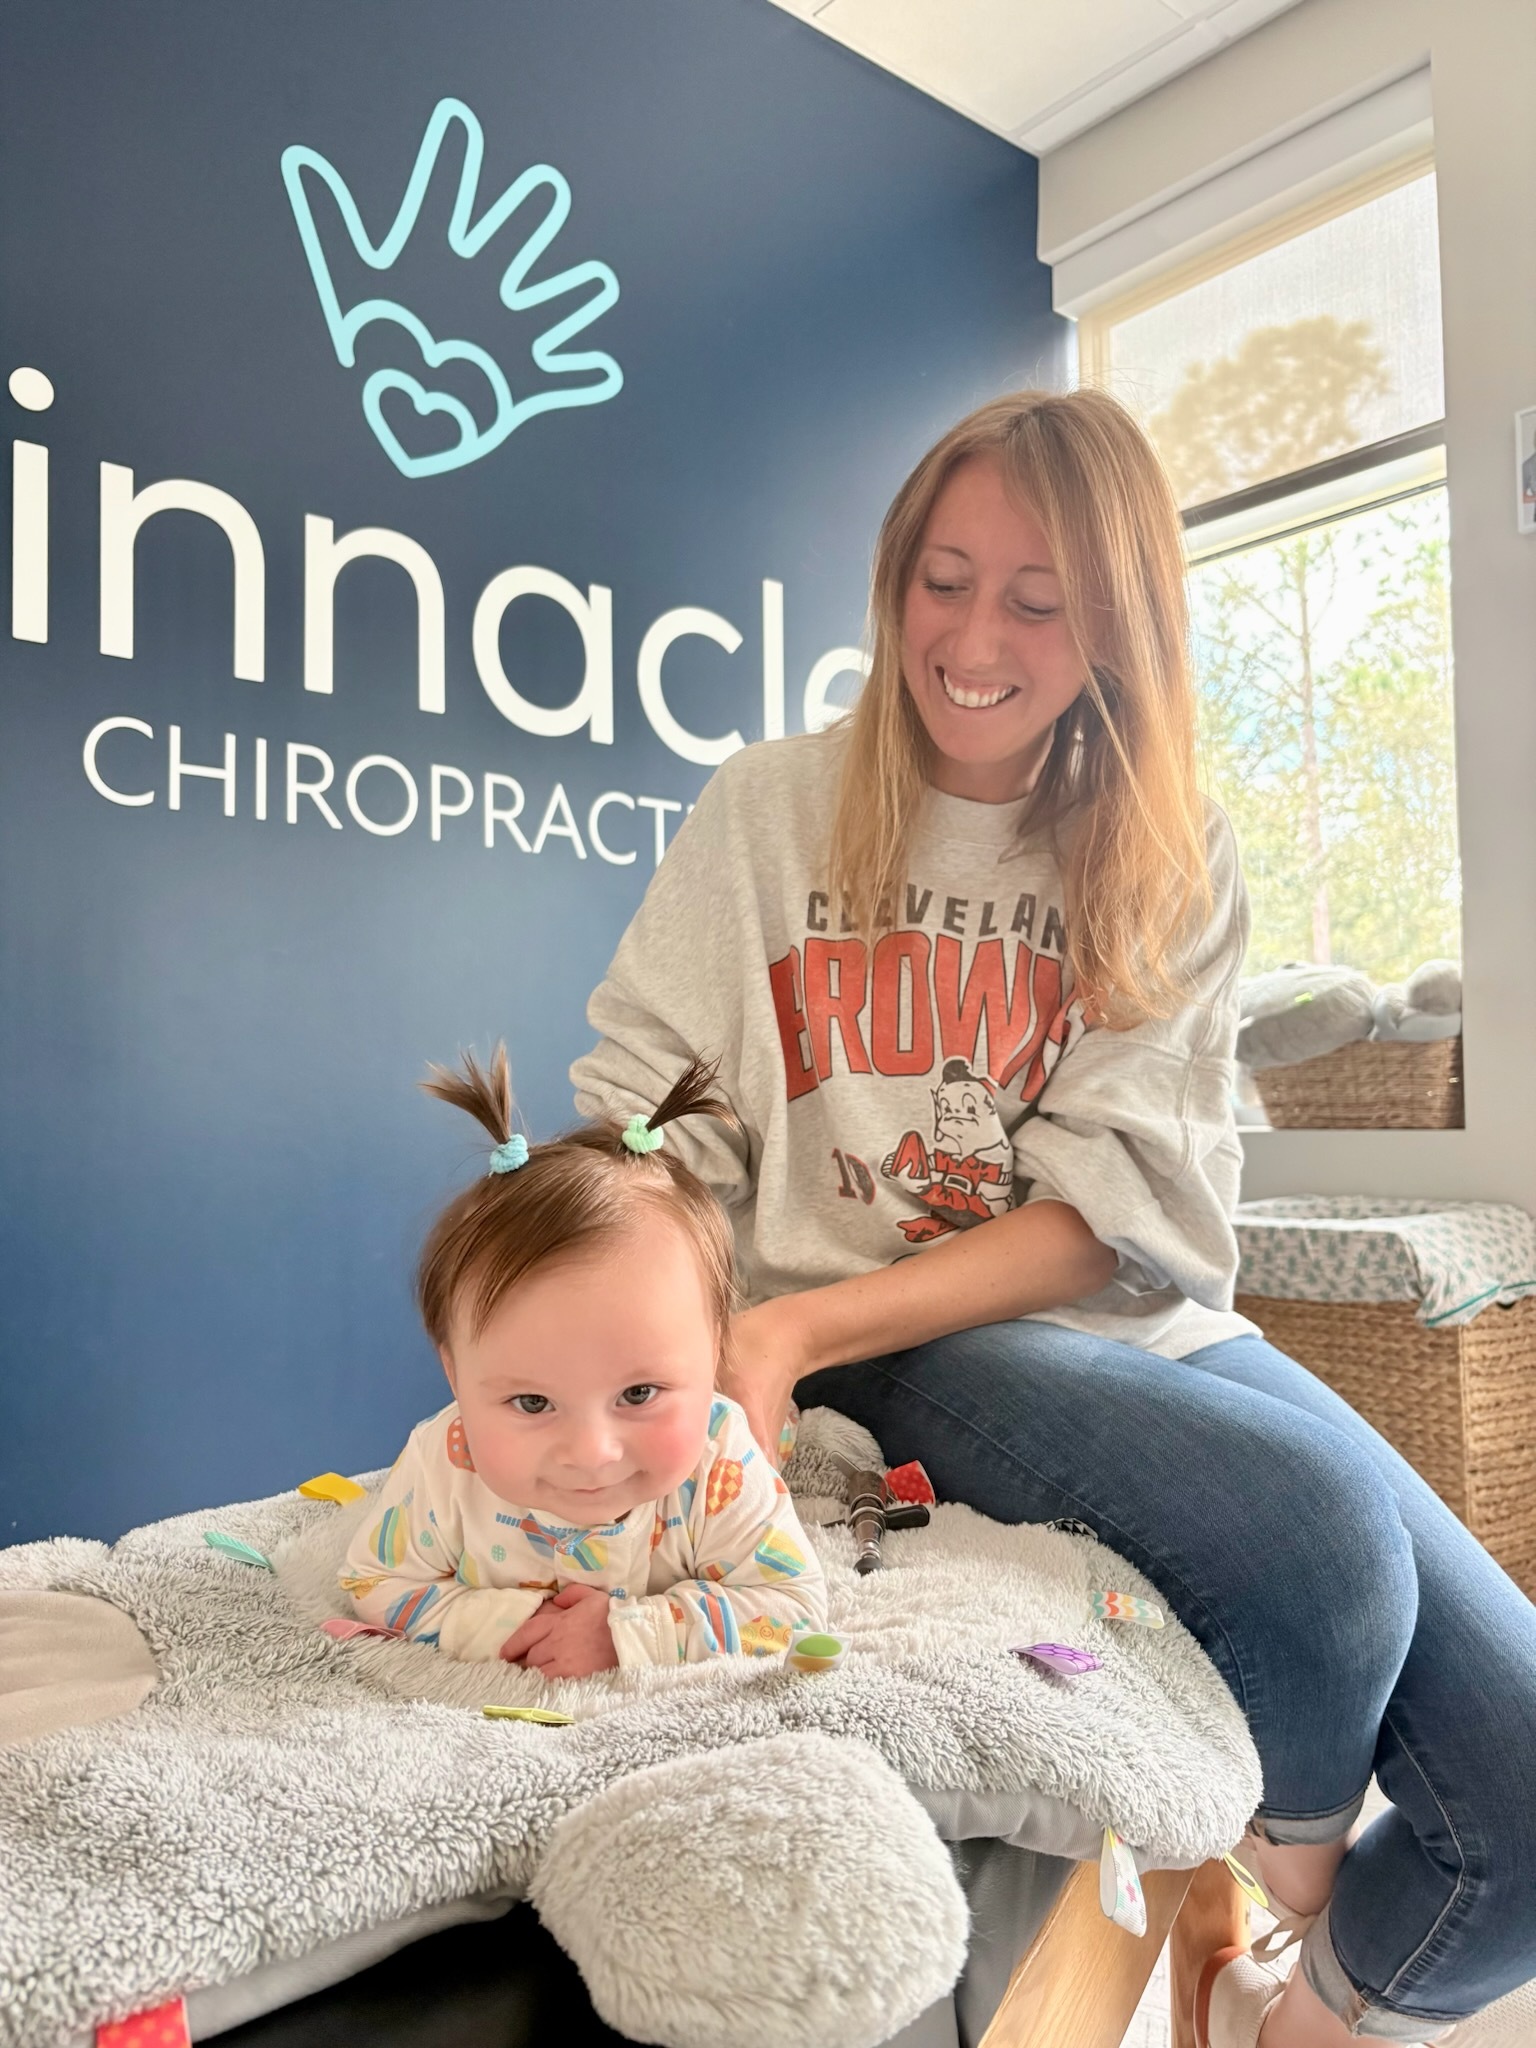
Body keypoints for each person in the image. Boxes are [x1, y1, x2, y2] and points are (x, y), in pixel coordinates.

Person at [571, 388, 1536, 2047]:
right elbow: (645, 1118)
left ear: (1115, 626)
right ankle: (1283, 1865)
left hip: (1115, 1321)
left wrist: (782, 1329)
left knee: (1520, 1787)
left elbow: (1112, 1215)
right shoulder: (768, 810)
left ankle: (1293, 2006)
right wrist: (650, 1325)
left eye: (1038, 599)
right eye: (944, 577)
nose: (972, 636)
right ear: (893, 577)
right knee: (1318, 1544)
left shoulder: (1168, 850)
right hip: (906, 1336)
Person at [340, 1049, 826, 1676]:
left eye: (639, 1393)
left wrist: (634, 1632)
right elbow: (371, 1584)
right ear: (455, 1377)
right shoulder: (444, 1464)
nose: (592, 1453)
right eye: (533, 1403)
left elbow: (795, 1606)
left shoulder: (719, 1460)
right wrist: (514, 1625)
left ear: (716, 1358)